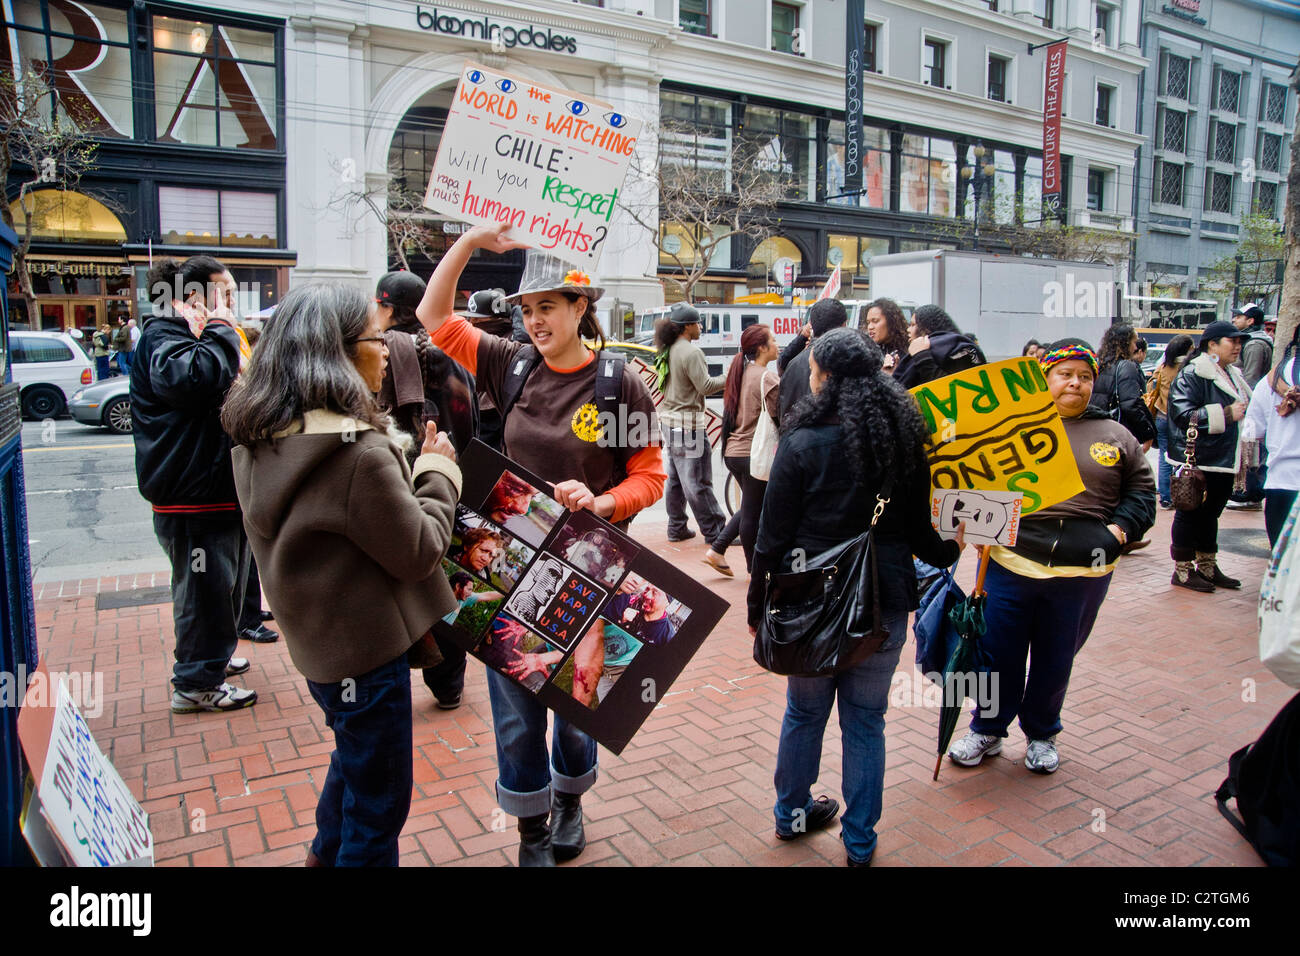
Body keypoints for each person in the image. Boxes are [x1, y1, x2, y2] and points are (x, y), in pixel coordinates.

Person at [417, 221, 665, 867]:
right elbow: (433, 314)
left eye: (547, 306)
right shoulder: (510, 362)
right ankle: (530, 826)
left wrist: (603, 501)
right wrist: (471, 241)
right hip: (515, 564)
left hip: (592, 566)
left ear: (582, 307)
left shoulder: (619, 384)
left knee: (577, 697)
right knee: (518, 701)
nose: (533, 320)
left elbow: (651, 475)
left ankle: (572, 800)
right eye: (526, 309)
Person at [222, 282, 462, 867]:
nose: (386, 352)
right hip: (367, 656)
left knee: (352, 769)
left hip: (320, 649)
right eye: (376, 341)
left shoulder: (257, 436)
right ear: (339, 352)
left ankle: (322, 856)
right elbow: (419, 550)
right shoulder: (356, 455)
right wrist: (437, 471)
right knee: (378, 810)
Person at [747, 328, 964, 866]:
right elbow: (924, 539)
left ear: (821, 376)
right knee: (866, 721)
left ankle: (791, 816)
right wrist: (956, 543)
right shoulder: (901, 443)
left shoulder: (800, 443)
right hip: (882, 599)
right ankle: (860, 842)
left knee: (804, 714)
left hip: (808, 602)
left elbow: (770, 542)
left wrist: (757, 607)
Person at [948, 342, 1155, 775]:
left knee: (1055, 656)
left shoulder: (1115, 435)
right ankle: (986, 728)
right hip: (1011, 563)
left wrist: (1118, 532)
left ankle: (1042, 734)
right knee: (996, 652)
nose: (1074, 383)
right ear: (1045, 379)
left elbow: (1142, 494)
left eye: (1084, 376)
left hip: (1083, 572)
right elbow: (978, 477)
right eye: (1065, 374)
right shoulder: (1013, 429)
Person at [131, 255, 255, 713]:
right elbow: (194, 381)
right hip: (191, 492)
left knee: (223, 586)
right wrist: (221, 328)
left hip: (216, 487)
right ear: (193, 295)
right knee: (203, 589)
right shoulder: (166, 334)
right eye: (223, 293)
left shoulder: (192, 334)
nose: (230, 303)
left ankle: (212, 660)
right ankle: (197, 682)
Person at [373, 269, 477, 709]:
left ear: (388, 308)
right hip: (455, 482)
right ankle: (449, 683)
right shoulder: (454, 350)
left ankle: (394, 684)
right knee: (449, 585)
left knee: (399, 583)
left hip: (400, 488)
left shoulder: (379, 353)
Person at [1165, 321, 1254, 592]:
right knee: (1190, 513)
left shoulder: (1230, 374)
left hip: (1224, 459)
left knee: (1211, 514)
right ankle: (1182, 570)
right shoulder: (1193, 373)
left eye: (1240, 342)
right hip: (1196, 459)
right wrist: (1225, 414)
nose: (1238, 346)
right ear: (1212, 345)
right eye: (1232, 341)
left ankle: (1207, 565)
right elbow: (1181, 415)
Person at [706, 324, 779, 576]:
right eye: (773, 340)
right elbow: (779, 414)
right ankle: (754, 570)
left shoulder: (741, 372)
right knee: (752, 512)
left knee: (750, 505)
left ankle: (717, 549)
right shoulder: (766, 377)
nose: (777, 345)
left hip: (734, 453)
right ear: (762, 347)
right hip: (753, 455)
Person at [655, 302, 728, 547]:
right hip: (689, 425)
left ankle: (676, 527)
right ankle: (717, 532)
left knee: (676, 480)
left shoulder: (669, 348)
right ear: (687, 326)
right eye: (697, 323)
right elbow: (705, 386)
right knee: (698, 482)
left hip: (670, 422)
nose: (700, 327)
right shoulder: (691, 352)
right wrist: (731, 377)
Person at [1246, 322, 1300, 549]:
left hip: (1281, 480)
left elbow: (1252, 432)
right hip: (1282, 480)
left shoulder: (1269, 382)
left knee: (1282, 564)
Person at [779, 298, 847, 423]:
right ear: (844, 325)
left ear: (811, 324)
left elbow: (784, 412)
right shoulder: (850, 361)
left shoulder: (793, 365)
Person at [1089, 323, 1157, 449]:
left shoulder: (1097, 363)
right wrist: (1148, 433)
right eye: (1134, 342)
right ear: (1125, 343)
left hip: (1093, 429)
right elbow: (1131, 404)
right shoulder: (1126, 366)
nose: (1135, 347)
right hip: (1116, 432)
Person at [892, 304, 986, 389]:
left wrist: (922, 357)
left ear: (927, 328)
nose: (908, 330)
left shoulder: (958, 351)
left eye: (913, 325)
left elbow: (954, 390)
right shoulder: (914, 358)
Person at [1150, 334, 1195, 509]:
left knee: (1163, 456)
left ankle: (1166, 496)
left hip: (1161, 416)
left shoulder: (1163, 367)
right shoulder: (1188, 368)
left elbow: (1152, 386)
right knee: (1183, 456)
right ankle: (1181, 493)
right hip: (1179, 419)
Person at [607, 579, 677, 646]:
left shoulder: (667, 636)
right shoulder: (627, 602)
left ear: (667, 602)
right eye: (647, 589)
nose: (647, 595)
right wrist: (622, 623)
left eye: (654, 593)